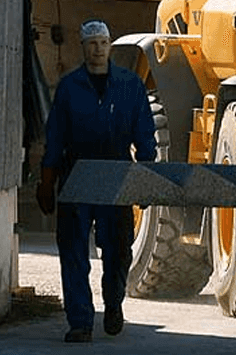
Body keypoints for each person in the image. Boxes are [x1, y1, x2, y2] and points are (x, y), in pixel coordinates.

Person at [36, 19, 156, 343]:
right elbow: (55, 137)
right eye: (92, 44)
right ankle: (80, 322)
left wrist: (144, 177)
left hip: (116, 176)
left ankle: (114, 304)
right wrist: (47, 181)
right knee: (73, 252)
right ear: (83, 47)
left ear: (110, 45)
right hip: (76, 176)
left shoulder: (130, 86)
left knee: (118, 251)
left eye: (103, 43)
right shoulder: (69, 87)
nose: (98, 49)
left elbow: (145, 133)